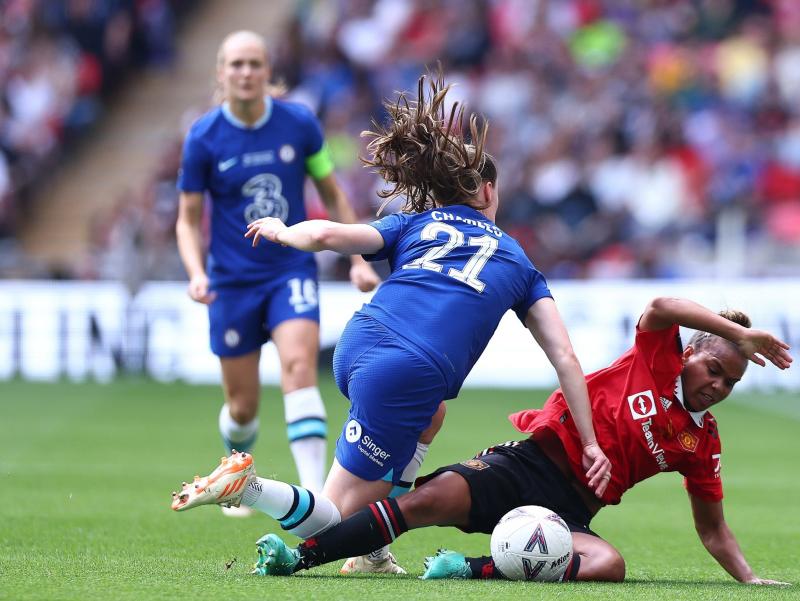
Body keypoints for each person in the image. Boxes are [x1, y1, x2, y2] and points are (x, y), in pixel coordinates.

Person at [171, 70, 612, 574]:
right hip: (406, 369)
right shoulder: (517, 261)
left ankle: (372, 557)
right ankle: (249, 487)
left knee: (431, 418)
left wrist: (285, 231)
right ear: (489, 190)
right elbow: (565, 356)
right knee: (339, 516)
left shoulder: (419, 223)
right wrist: (592, 443)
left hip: (359, 341)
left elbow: (333, 235)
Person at [193, 296, 792, 584]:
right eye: (715, 369)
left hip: (570, 508)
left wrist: (747, 577)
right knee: (420, 505)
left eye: (731, 382)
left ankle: (468, 568)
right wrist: (738, 331)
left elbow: (712, 527)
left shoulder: (702, 443)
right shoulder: (656, 355)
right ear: (692, 353)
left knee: (608, 564)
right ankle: (296, 558)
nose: (719, 385)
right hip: (524, 464)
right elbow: (661, 305)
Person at [175, 30, 382, 517]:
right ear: (222, 74)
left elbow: (331, 193)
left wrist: (355, 258)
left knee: (298, 369)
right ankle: (235, 466)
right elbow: (186, 219)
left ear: (269, 72)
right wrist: (195, 272)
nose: (246, 73)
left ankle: (315, 499)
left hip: (290, 268)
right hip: (231, 281)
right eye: (236, 65)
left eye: (254, 64)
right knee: (242, 409)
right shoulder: (203, 138)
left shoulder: (299, 124)